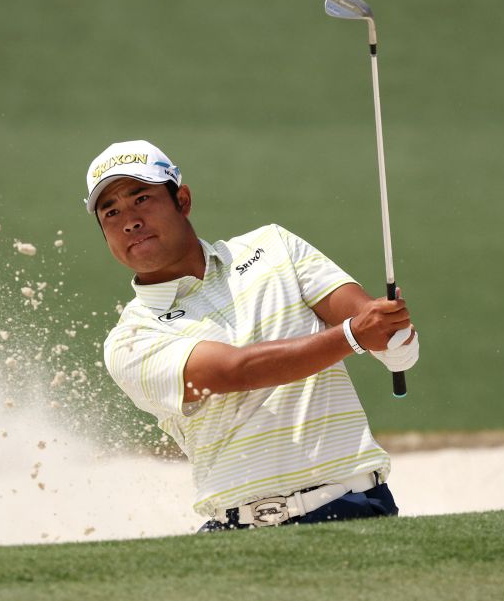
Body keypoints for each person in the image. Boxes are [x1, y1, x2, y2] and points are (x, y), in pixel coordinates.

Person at [86, 140, 419, 531]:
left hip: (354, 507)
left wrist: (395, 339)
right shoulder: (130, 338)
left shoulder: (274, 246)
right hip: (238, 533)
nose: (129, 220)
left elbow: (372, 326)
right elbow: (233, 372)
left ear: (183, 200)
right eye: (110, 212)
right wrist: (355, 337)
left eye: (142, 198)